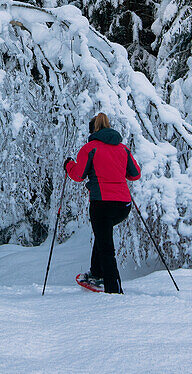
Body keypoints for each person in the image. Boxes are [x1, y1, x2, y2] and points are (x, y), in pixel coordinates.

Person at [64, 112, 141, 294]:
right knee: (103, 235)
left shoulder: (90, 148)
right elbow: (135, 174)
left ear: (92, 131)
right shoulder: (123, 149)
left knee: (106, 247)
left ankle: (114, 290)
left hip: (102, 204)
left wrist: (68, 165)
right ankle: (96, 274)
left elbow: (78, 175)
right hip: (123, 205)